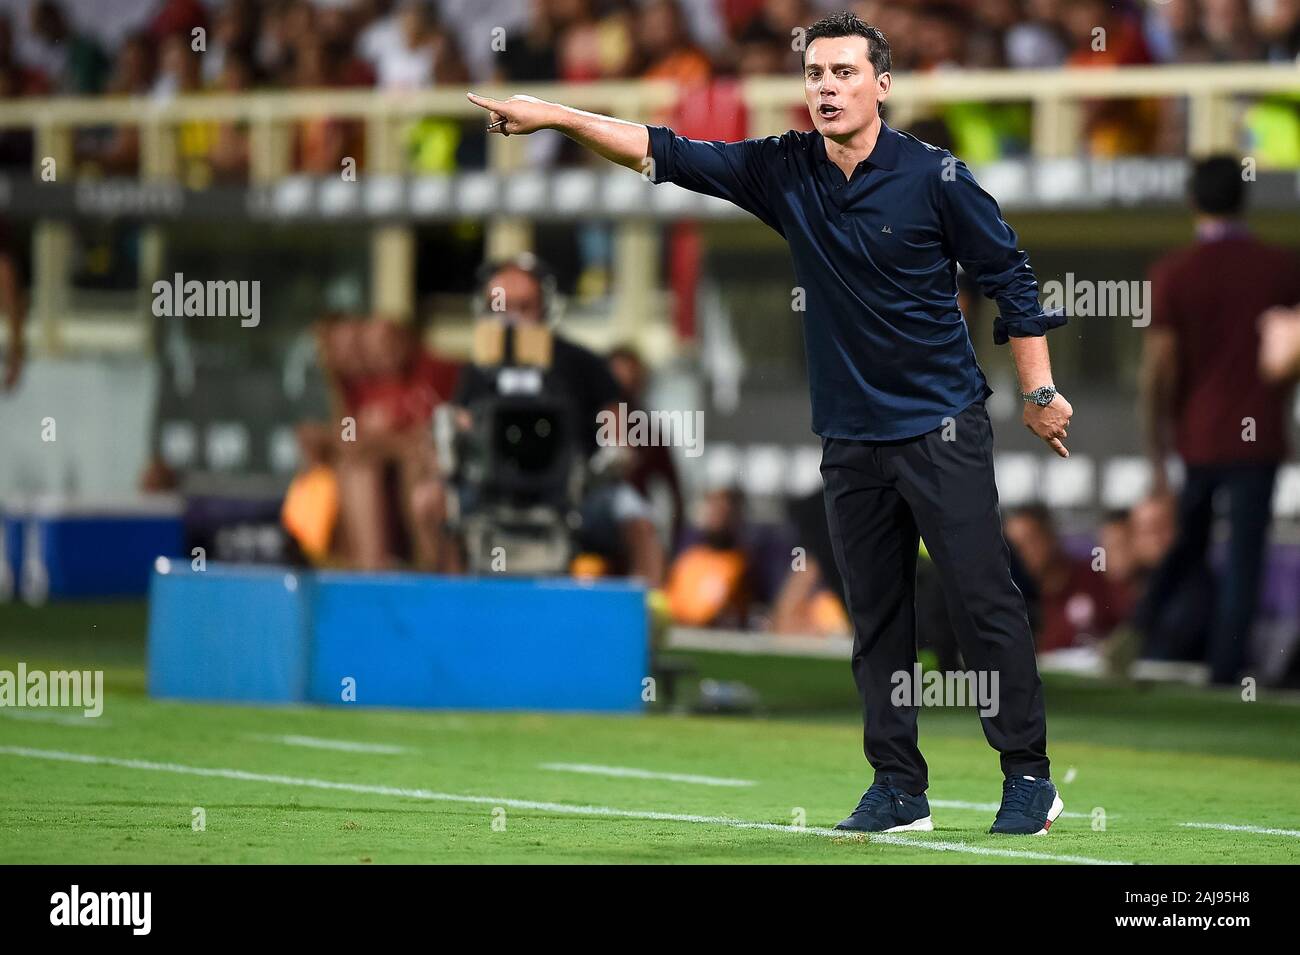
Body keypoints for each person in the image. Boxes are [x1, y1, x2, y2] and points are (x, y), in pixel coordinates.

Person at [467, 10, 1072, 836]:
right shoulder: (785, 170)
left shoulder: (938, 178)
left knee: (982, 599)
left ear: (882, 86)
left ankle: (1029, 775)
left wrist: (1038, 394)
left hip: (942, 425)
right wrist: (561, 117)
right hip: (850, 433)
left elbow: (1012, 275)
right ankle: (899, 786)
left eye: (845, 73)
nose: (827, 88)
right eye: (816, 74)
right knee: (877, 617)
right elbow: (661, 150)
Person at [1137, 155, 1300, 685]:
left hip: (1199, 437)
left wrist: (1157, 460)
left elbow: (1158, 372)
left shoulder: (1175, 272)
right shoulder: (1280, 267)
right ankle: (1227, 674)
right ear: (1243, 198)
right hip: (1259, 438)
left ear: (1192, 202)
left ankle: (1144, 636)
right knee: (1245, 557)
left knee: (1187, 544)